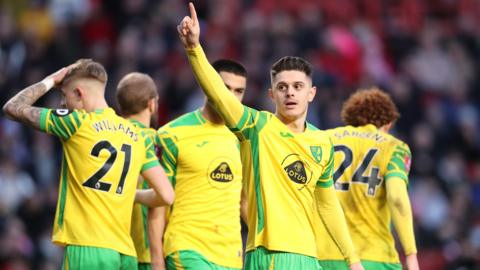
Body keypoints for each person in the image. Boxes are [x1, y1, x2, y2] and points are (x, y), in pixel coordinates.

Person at [177, 3, 363, 269]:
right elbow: (219, 95)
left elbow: (328, 206)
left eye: (298, 87)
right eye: (282, 87)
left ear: (311, 93)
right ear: (271, 94)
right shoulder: (257, 126)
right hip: (268, 255)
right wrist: (194, 49)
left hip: (309, 259)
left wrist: (353, 260)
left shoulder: (323, 142)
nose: (290, 93)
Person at [2, 59, 174, 269]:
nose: (63, 104)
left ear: (79, 93)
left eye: (64, 96)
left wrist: (49, 82)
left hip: (87, 247)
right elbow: (166, 195)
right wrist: (131, 194)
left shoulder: (76, 122)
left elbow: (12, 107)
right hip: (125, 253)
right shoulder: (138, 136)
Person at [150, 59, 248, 270]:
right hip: (188, 248)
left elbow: (245, 202)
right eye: (225, 88)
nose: (231, 97)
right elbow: (159, 201)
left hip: (231, 256)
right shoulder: (172, 134)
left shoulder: (244, 140)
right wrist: (157, 260)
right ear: (207, 85)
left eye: (239, 91)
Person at [316, 88, 419, 270]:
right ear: (387, 123)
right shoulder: (394, 146)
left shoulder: (323, 139)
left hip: (323, 256)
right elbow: (397, 198)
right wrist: (411, 254)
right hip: (374, 256)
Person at [116, 72, 162, 270]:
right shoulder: (155, 140)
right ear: (152, 104)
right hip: (144, 253)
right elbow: (161, 196)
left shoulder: (106, 136)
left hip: (109, 247)